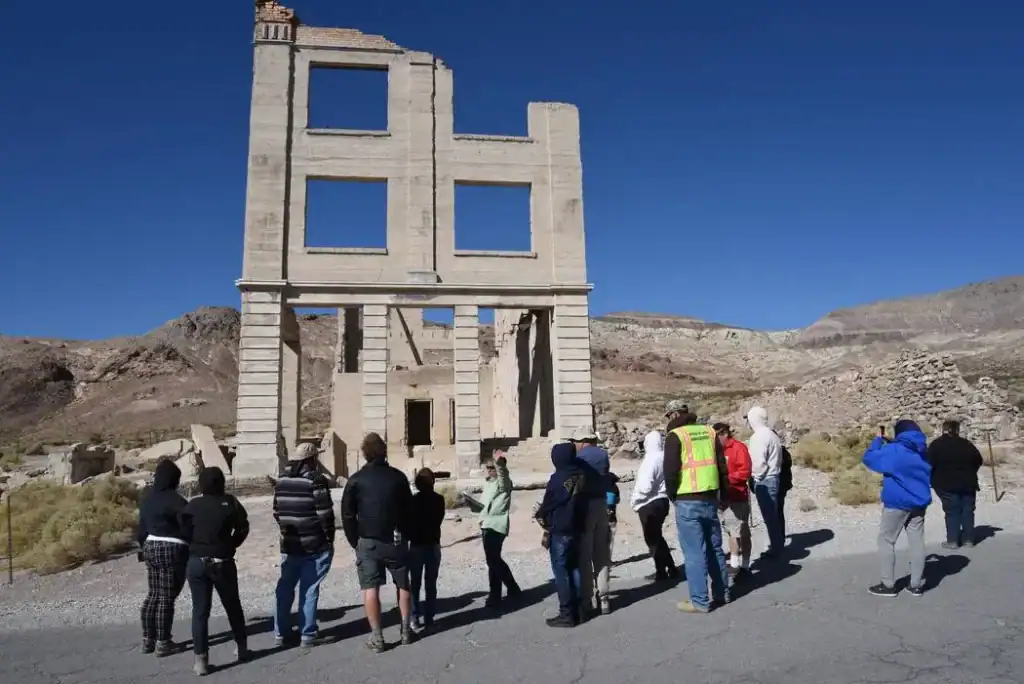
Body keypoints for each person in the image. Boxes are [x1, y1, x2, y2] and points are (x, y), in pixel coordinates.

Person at [340, 432, 415, 653]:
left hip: (368, 540)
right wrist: (405, 533)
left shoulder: (355, 480)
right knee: (403, 584)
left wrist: (355, 541)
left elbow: (346, 515)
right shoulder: (398, 477)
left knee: (371, 588)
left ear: (365, 453)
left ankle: (378, 637)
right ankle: (405, 631)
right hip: (395, 538)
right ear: (384, 451)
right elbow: (409, 510)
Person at [179, 467, 251, 676]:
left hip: (197, 562)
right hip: (223, 561)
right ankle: (243, 649)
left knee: (200, 612)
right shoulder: (230, 502)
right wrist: (231, 544)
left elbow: (184, 531)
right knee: (233, 606)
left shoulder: (193, 505)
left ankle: (200, 661)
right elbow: (243, 527)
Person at [663, 403, 730, 613]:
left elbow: (670, 471)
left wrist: (672, 495)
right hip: (710, 497)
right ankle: (722, 593)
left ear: (674, 415)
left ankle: (700, 601)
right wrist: (724, 495)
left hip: (687, 499)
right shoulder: (709, 431)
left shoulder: (676, 435)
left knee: (694, 553)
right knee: (714, 548)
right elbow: (721, 466)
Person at [272, 442, 337, 649]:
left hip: (289, 543)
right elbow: (324, 514)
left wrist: (286, 529)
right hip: (313, 543)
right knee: (309, 589)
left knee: (285, 588)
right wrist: (330, 539)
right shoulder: (315, 480)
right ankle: (307, 633)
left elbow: (276, 511)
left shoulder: (281, 479)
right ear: (311, 459)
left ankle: (281, 632)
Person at [862, 419, 932, 598]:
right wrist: (893, 442)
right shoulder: (923, 451)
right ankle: (916, 585)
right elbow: (907, 452)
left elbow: (869, 458)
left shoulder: (892, 451)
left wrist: (878, 440)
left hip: (897, 503)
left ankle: (888, 584)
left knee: (886, 541)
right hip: (919, 502)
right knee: (916, 541)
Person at [137, 459, 189, 656]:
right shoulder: (177, 501)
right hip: (172, 549)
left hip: (150, 546)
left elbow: (141, 529)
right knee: (167, 597)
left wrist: (142, 550)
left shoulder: (147, 500)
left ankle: (147, 640)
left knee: (153, 594)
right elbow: (187, 526)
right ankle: (163, 642)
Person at [534, 443, 589, 627]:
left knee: (562, 573)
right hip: (578, 528)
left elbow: (549, 503)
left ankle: (566, 614)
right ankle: (580, 611)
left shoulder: (558, 479)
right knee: (575, 570)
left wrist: (540, 513)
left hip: (561, 531)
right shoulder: (581, 474)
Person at [569, 425, 614, 616]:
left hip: (584, 505)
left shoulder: (579, 458)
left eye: (575, 442)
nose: (574, 445)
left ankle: (586, 600)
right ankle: (604, 599)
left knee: (585, 556)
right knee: (601, 554)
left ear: (583, 441)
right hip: (601, 504)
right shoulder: (603, 455)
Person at [927, 420, 983, 549]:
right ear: (957, 430)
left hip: (945, 484)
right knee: (968, 510)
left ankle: (952, 541)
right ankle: (968, 540)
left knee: (952, 511)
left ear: (943, 429)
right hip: (968, 482)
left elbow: (929, 463)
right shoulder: (966, 444)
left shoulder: (936, 445)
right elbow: (978, 460)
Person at [630, 430, 678, 580]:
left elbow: (645, 487)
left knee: (652, 539)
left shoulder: (650, 460)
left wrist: (635, 500)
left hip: (648, 503)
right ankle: (671, 567)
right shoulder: (665, 457)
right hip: (663, 500)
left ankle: (661, 571)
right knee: (657, 536)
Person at [478, 454, 522, 609]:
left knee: (493, 561)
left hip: (497, 525)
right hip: (486, 524)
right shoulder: (489, 484)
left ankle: (495, 594)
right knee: (494, 560)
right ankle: (512, 587)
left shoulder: (504, 483)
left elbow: (503, 473)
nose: (490, 471)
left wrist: (500, 464)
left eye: (492, 468)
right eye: (488, 468)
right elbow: (485, 505)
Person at [713, 423, 753, 581]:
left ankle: (743, 564)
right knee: (731, 530)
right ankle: (736, 562)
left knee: (740, 531)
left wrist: (727, 479)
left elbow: (745, 472)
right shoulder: (717, 450)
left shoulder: (738, 448)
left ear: (724, 434)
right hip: (722, 498)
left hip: (737, 496)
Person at [408, 467, 445, 629]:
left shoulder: (413, 501)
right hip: (433, 543)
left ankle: (415, 616)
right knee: (431, 583)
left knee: (415, 584)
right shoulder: (439, 499)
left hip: (417, 545)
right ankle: (429, 617)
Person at [746, 406, 785, 557]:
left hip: (765, 480)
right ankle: (777, 545)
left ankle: (776, 549)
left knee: (770, 518)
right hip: (774, 477)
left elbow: (758, 463)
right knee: (773, 516)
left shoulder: (758, 437)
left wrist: (755, 478)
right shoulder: (771, 434)